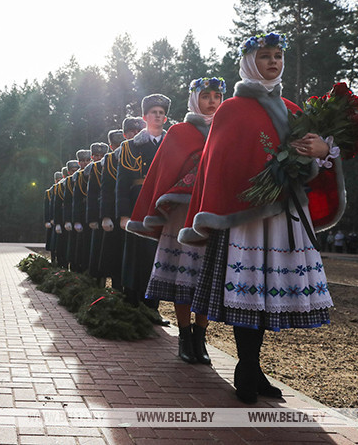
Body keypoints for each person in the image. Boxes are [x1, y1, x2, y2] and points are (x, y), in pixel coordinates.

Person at [179, 33, 345, 404]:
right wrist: (261, 178)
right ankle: (246, 369)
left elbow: (310, 160)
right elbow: (221, 163)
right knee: (249, 293)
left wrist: (321, 151)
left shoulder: (291, 108)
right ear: (250, 61)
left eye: (278, 56)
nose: (274, 62)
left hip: (284, 218)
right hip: (246, 219)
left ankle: (253, 368)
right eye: (266, 56)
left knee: (269, 295)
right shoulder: (232, 109)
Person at [128, 77, 226, 364]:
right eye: (205, 95)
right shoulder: (179, 131)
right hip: (182, 218)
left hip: (212, 215)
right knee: (184, 278)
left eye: (217, 96)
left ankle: (201, 336)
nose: (212, 101)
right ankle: (185, 336)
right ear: (194, 98)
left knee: (206, 279)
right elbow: (163, 172)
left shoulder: (226, 129)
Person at [117, 93, 172, 326]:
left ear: (166, 118)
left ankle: (152, 308)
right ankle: (131, 303)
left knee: (157, 256)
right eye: (153, 113)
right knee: (135, 254)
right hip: (138, 203)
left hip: (161, 205)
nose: (157, 116)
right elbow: (121, 184)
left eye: (161, 113)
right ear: (145, 117)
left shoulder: (173, 145)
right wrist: (123, 214)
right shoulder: (130, 147)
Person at [99, 123, 139, 289]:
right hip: (118, 212)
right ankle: (116, 288)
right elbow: (107, 190)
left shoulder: (144, 151)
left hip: (137, 208)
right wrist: (106, 216)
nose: (134, 135)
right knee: (116, 252)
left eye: (137, 132)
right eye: (130, 132)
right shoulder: (110, 159)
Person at [85, 142, 109, 278]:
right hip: (97, 214)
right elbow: (91, 196)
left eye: (102, 155)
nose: (99, 158)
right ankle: (94, 279)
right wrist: (92, 218)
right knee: (95, 249)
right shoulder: (93, 169)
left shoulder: (114, 165)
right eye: (96, 155)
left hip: (110, 212)